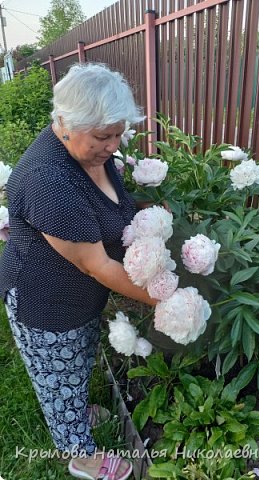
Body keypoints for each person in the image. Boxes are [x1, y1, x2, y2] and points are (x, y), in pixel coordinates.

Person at [0, 63, 157, 480]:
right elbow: (97, 264)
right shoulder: (47, 181)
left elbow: (109, 211)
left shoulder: (89, 153)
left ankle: (76, 411)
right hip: (46, 301)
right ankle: (79, 455)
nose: (113, 145)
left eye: (118, 133)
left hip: (80, 294)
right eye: (103, 136)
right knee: (56, 378)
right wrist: (164, 301)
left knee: (79, 361)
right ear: (65, 124)